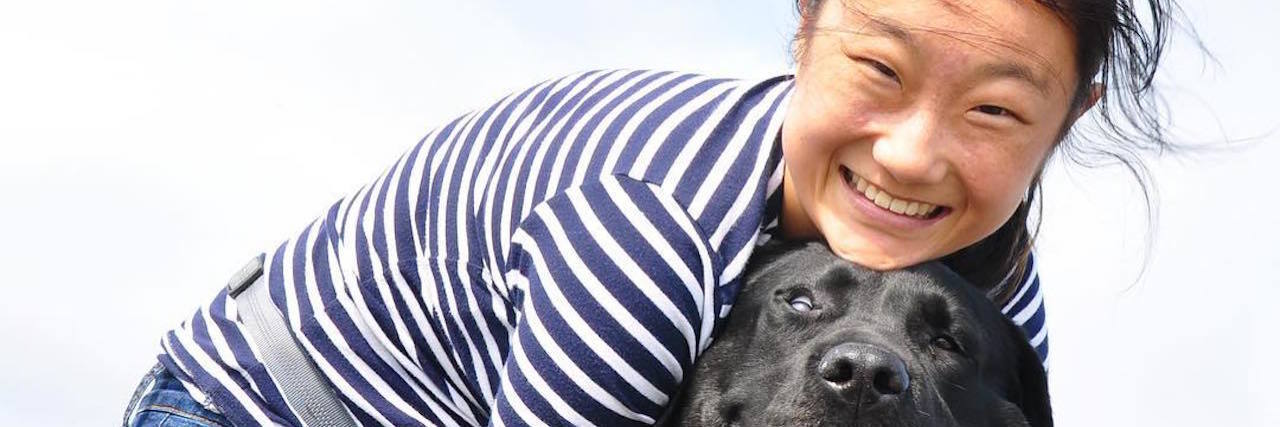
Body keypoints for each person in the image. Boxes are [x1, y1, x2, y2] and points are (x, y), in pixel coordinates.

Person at [123, 0, 1180, 425]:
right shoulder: (643, 227)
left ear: (1065, 120)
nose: (911, 151)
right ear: (804, 26)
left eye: (992, 109)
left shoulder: (983, 284)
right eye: (878, 69)